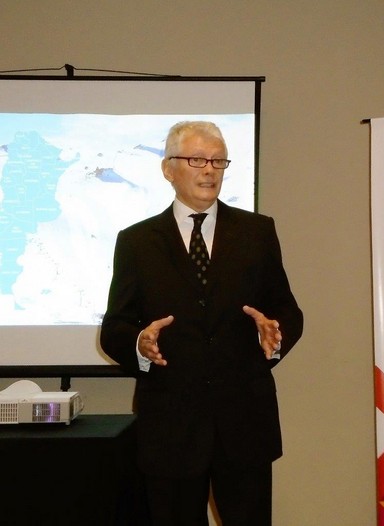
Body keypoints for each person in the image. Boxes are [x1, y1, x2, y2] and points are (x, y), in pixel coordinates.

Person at [100, 121, 303, 526]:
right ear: (168, 169)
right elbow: (115, 327)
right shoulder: (137, 241)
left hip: (244, 422)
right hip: (171, 427)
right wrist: (140, 343)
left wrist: (274, 333)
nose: (210, 170)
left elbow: (286, 310)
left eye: (218, 161)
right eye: (197, 160)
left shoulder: (257, 232)